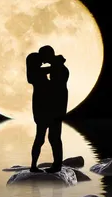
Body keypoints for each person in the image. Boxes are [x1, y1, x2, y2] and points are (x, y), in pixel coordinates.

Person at [26, 45, 69, 173]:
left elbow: (58, 87)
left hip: (53, 109)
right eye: (41, 60)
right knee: (43, 137)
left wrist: (56, 63)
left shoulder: (58, 70)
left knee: (52, 137)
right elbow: (40, 76)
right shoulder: (37, 74)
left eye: (43, 58)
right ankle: (35, 165)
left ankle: (56, 165)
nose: (42, 61)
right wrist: (56, 62)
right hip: (44, 109)